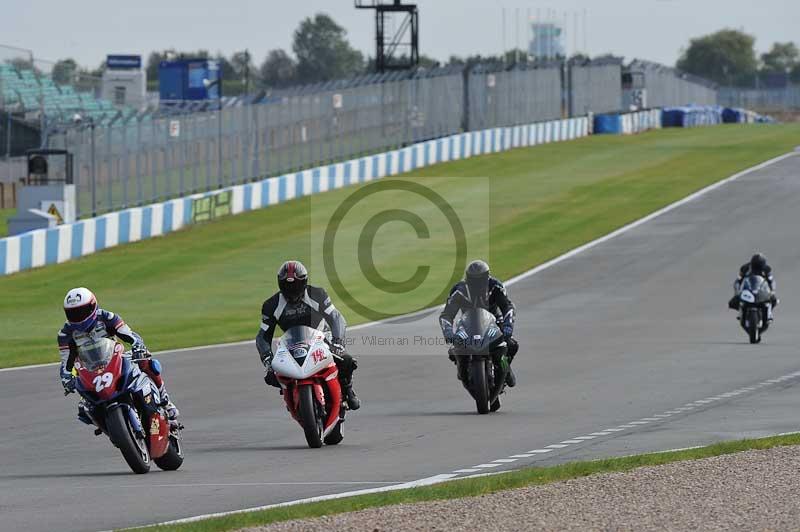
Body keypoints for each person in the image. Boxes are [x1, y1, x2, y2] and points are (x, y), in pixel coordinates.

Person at [58, 287, 179, 423]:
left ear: (93, 306)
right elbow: (65, 362)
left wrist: (137, 346)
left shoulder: (106, 317)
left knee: (146, 362)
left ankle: (165, 400)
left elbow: (129, 335)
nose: (79, 317)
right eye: (73, 314)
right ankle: (107, 424)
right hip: (89, 370)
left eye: (82, 311)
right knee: (85, 409)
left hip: (114, 359)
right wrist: (66, 378)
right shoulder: (65, 334)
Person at [256, 260, 360, 410]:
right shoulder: (271, 305)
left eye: (296, 286)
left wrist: (337, 343)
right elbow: (263, 336)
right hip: (291, 345)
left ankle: (348, 389)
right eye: (287, 286)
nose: (292, 291)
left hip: (322, 339)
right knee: (271, 377)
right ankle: (291, 395)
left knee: (347, 360)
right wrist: (267, 360)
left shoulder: (317, 294)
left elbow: (336, 318)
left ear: (304, 282)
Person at [439, 260, 518, 387]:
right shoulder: (459, 290)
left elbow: (507, 307)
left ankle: (505, 367)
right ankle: (463, 369)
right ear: (468, 278)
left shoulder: (495, 286)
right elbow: (446, 315)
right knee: (455, 350)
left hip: (494, 320)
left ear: (487, 277)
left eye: (480, 280)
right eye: (473, 280)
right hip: (467, 323)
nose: (477, 284)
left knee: (511, 344)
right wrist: (448, 332)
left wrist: (508, 326)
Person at [728, 252, 779, 320]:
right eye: (756, 266)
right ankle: (741, 312)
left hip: (762, 289)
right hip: (748, 288)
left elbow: (771, 281)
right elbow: (738, 281)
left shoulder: (767, 269)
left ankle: (769, 314)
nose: (757, 268)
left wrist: (772, 291)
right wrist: (737, 292)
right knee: (733, 302)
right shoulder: (745, 268)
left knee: (774, 300)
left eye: (759, 266)